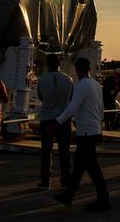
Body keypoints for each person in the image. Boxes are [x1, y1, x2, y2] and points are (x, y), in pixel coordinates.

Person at [54, 57, 110, 211]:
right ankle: (68, 195)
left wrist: (57, 122)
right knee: (79, 166)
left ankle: (104, 199)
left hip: (86, 132)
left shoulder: (82, 86)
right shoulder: (96, 85)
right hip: (93, 130)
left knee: (92, 167)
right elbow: (101, 108)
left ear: (78, 70)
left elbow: (72, 108)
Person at [35, 53, 73, 190]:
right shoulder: (68, 80)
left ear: (47, 64)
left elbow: (41, 97)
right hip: (63, 119)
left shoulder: (42, 80)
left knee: (46, 151)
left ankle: (45, 181)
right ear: (59, 64)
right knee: (64, 151)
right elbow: (71, 97)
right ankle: (65, 180)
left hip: (47, 119)